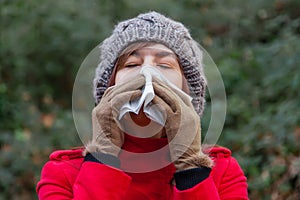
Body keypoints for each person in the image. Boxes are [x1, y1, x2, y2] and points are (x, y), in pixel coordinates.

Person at [36, 11, 248, 199]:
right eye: (132, 64)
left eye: (164, 65)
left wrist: (191, 167)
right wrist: (103, 156)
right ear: (110, 86)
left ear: (187, 91)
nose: (147, 73)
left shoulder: (222, 173)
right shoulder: (63, 174)